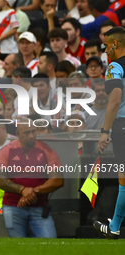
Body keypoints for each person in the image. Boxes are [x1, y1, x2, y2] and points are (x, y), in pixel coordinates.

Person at [0, 120, 64, 237]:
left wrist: (31, 192)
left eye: (33, 132)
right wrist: (22, 189)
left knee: (50, 243)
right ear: (17, 133)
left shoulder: (47, 150)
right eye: (26, 133)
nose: (31, 136)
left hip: (39, 207)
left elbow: (58, 180)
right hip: (13, 207)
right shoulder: (6, 151)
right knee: (19, 246)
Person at [93, 27, 125, 239]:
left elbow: (114, 99)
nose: (104, 51)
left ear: (115, 44)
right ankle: (114, 225)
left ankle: (114, 227)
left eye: (105, 46)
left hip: (123, 125)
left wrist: (105, 131)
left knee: (123, 179)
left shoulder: (114, 66)